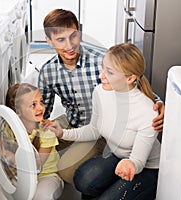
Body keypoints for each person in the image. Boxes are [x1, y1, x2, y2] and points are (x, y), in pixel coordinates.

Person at [38, 8, 164, 184]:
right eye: (60, 40)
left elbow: (135, 90)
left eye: (73, 36)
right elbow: (42, 112)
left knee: (68, 172)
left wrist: (159, 104)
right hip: (75, 122)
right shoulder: (47, 71)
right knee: (38, 143)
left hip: (103, 130)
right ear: (49, 41)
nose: (69, 45)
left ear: (79, 32)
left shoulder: (102, 60)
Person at [46, 43, 161, 199]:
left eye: (110, 72)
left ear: (130, 78)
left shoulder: (147, 112)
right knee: (82, 179)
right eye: (103, 68)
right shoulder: (101, 92)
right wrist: (62, 133)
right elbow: (94, 129)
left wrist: (131, 164)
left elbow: (138, 161)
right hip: (118, 156)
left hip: (146, 168)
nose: (101, 76)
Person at [5, 83, 64, 200]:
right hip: (22, 176)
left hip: (47, 176)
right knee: (0, 195)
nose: (40, 108)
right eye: (33, 105)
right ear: (18, 111)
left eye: (41, 102)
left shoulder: (47, 130)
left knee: (40, 196)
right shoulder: (9, 129)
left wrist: (10, 156)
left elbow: (36, 165)